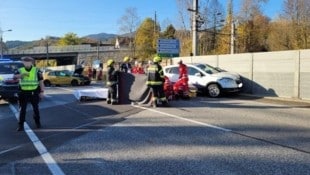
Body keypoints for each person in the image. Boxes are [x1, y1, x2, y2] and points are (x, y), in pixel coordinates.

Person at [13, 56, 45, 131]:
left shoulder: (37, 70)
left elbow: (41, 82)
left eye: (28, 62)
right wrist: (22, 75)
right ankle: (21, 125)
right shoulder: (20, 70)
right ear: (23, 62)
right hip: (23, 93)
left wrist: (42, 91)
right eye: (25, 62)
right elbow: (14, 77)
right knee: (22, 110)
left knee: (36, 109)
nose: (27, 63)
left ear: (31, 62)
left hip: (34, 92)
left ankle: (38, 123)